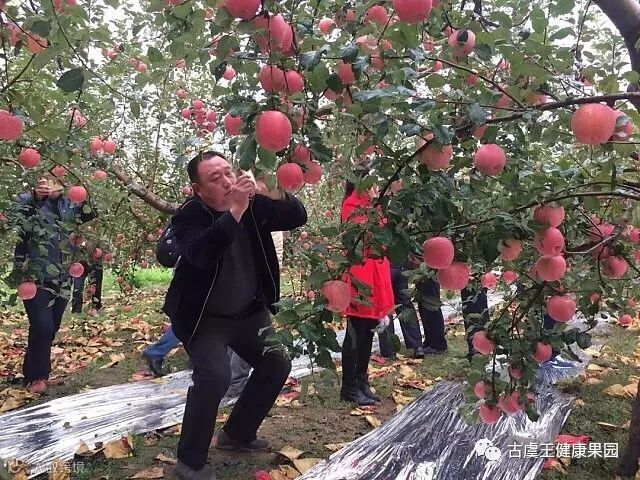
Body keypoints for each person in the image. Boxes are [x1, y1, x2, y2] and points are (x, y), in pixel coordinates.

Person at [162, 151, 306, 480]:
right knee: (215, 376)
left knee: (276, 364)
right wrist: (236, 211)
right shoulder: (189, 216)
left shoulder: (252, 204)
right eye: (216, 178)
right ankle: (190, 461)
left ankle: (238, 434)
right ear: (198, 190)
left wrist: (275, 189)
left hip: (249, 313)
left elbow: (296, 216)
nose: (228, 181)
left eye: (229, 172)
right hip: (204, 318)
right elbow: (201, 253)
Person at [9, 175, 96, 394]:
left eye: (59, 178)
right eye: (48, 179)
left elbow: (90, 212)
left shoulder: (69, 205)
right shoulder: (27, 200)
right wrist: (37, 198)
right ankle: (37, 376)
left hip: (63, 275)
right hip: (34, 275)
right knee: (42, 325)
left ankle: (35, 373)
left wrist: (88, 187)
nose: (53, 183)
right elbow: (17, 215)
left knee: (51, 326)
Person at [340, 179, 395, 407]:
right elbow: (364, 237)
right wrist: (374, 208)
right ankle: (349, 386)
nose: (376, 188)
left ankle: (361, 380)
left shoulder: (375, 206)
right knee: (356, 331)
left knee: (369, 329)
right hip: (360, 275)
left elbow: (385, 235)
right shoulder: (352, 206)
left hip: (376, 272)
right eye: (372, 183)